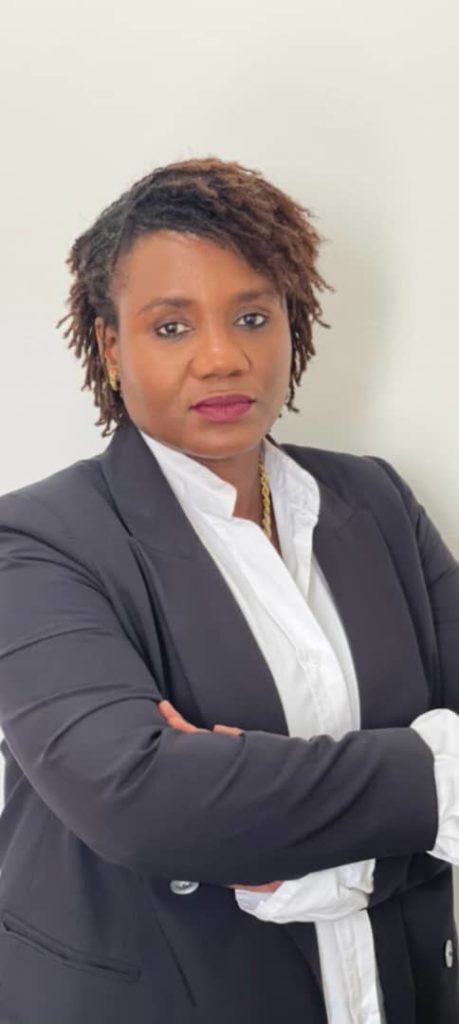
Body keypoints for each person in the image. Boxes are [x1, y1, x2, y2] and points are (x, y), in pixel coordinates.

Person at [0, 155, 458, 1024]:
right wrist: (436, 781)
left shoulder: (377, 502)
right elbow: (142, 802)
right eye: (171, 327)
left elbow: (204, 806)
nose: (221, 357)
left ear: (293, 323)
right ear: (110, 346)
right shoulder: (36, 540)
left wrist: (325, 854)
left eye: (252, 316)